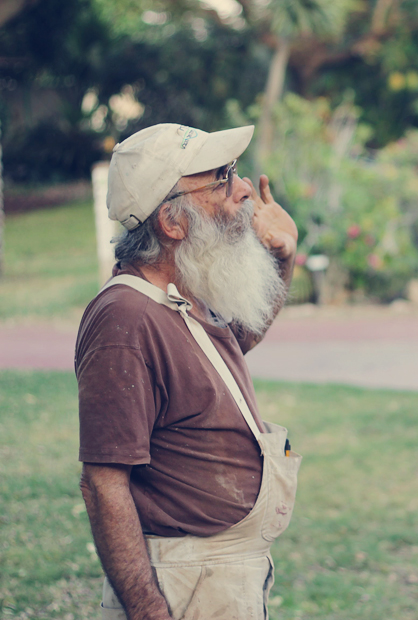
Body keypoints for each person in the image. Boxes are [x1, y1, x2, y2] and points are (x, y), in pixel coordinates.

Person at [76, 123, 301, 620]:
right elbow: (103, 482)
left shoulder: (180, 295)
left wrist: (282, 258)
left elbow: (235, 346)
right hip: (184, 585)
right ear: (172, 222)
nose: (243, 190)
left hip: (219, 575)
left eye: (233, 173)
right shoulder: (127, 318)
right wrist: (150, 611)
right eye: (221, 178)